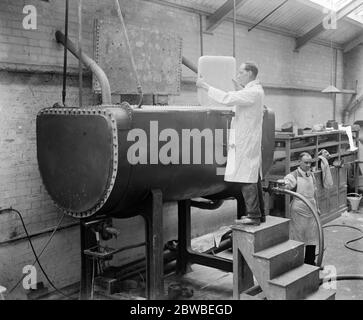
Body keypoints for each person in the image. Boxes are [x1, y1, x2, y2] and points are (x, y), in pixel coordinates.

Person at [196, 61, 265, 226]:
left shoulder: (253, 92)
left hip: (246, 140)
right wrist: (239, 89)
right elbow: (241, 99)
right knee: (253, 176)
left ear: (249, 73)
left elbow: (227, 98)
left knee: (246, 177)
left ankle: (253, 216)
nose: (238, 75)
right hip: (247, 139)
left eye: (241, 72)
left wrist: (205, 86)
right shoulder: (254, 91)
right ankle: (259, 215)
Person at [282, 152, 320, 266]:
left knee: (312, 237)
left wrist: (317, 207)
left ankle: (310, 262)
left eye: (310, 163)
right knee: (298, 237)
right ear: (299, 162)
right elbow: (287, 183)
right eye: (306, 162)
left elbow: (315, 192)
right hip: (299, 210)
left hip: (311, 210)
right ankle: (297, 263)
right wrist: (284, 184)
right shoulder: (294, 175)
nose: (308, 165)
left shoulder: (312, 175)